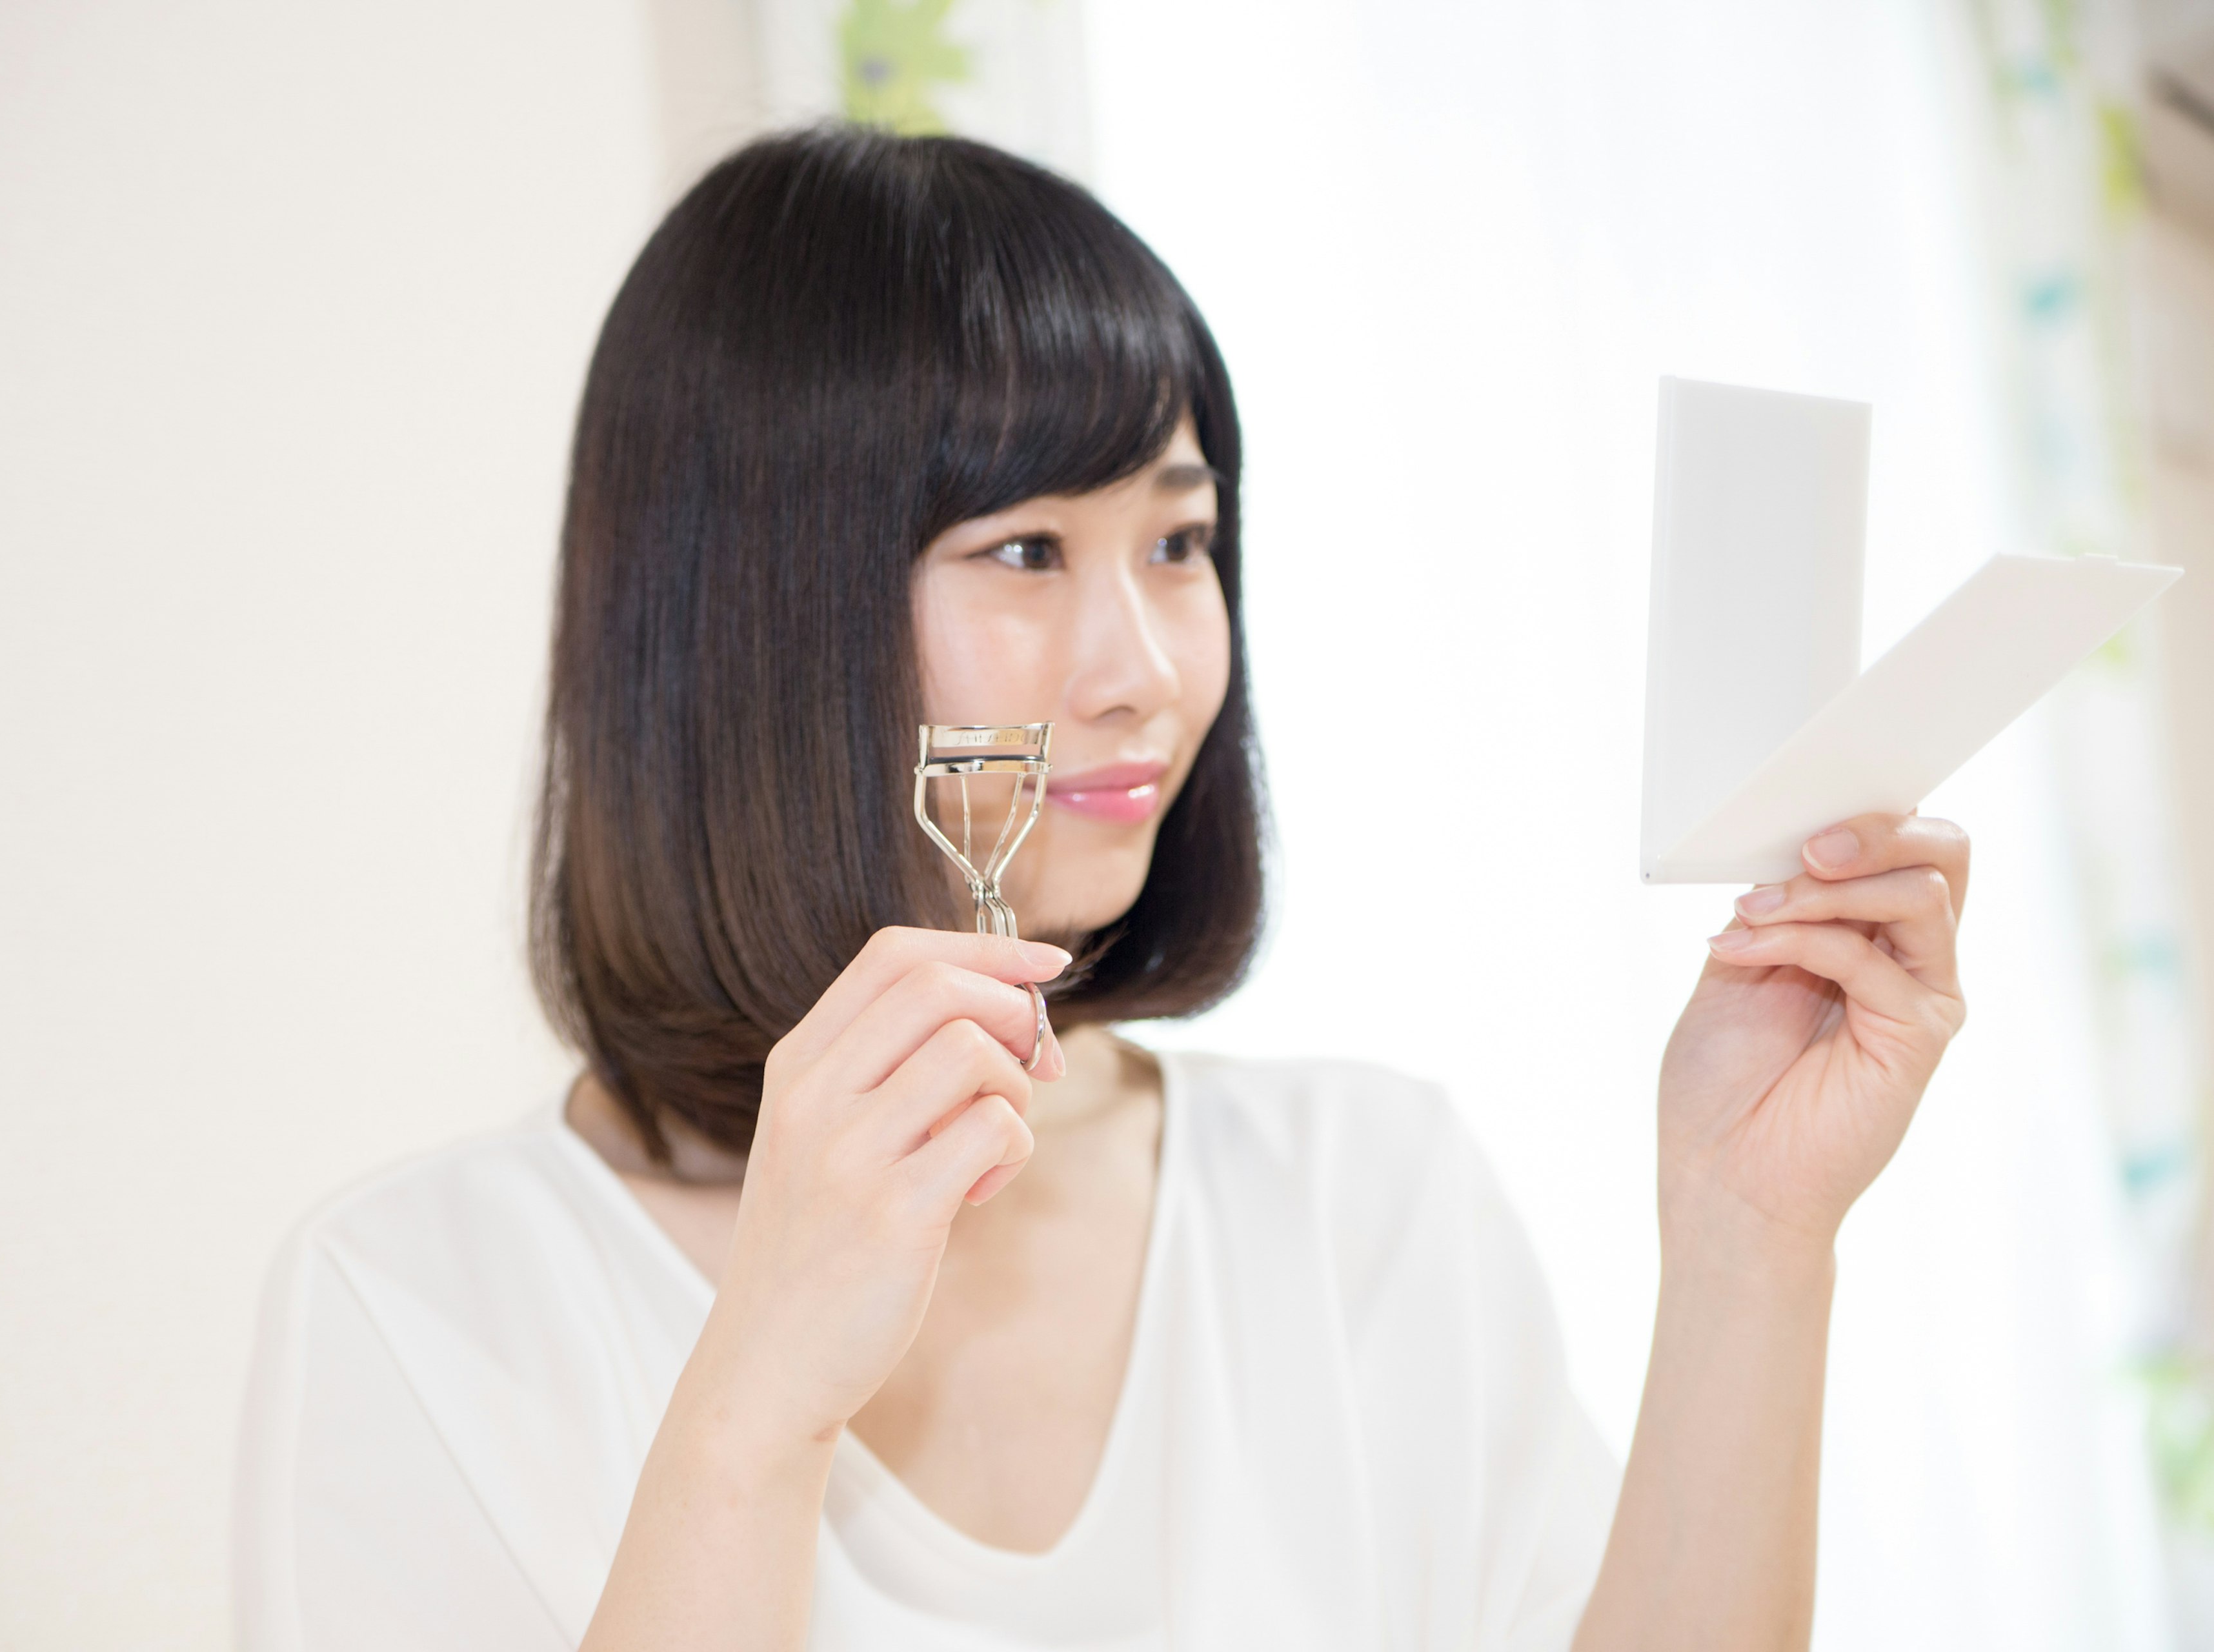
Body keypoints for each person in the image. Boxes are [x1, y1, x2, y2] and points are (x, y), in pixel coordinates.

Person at [232, 126, 1971, 1652]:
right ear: (743, 616)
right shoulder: (423, 1310)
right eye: (1025, 551)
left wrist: (1756, 1243)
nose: (1146, 665)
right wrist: (754, 1407)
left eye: (1179, 541)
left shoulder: (1370, 1197)